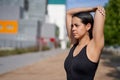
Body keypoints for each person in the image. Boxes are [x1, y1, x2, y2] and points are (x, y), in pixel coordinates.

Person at [64, 6, 105, 80]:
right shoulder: (74, 44)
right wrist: (90, 9)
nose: (73, 29)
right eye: (72, 26)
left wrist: (96, 9)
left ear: (88, 26)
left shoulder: (94, 46)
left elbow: (99, 12)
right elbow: (68, 13)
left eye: (76, 25)